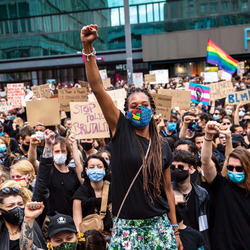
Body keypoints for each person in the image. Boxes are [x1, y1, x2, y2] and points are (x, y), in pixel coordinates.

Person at [81, 24, 181, 249]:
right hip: (127, 228)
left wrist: (175, 230)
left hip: (159, 227)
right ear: (126, 111)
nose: (139, 109)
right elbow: (97, 87)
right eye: (133, 106)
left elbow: (167, 189)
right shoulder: (121, 129)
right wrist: (88, 47)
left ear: (152, 109)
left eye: (144, 105)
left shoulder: (163, 146)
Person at [201, 121, 250, 250]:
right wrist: (208, 136)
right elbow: (206, 162)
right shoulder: (222, 187)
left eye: (239, 169)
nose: (233, 172)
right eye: (230, 167)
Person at [32, 130, 80, 226]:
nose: (60, 154)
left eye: (63, 151)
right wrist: (44, 145)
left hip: (70, 220)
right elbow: (33, 161)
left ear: (68, 153)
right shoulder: (48, 172)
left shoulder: (74, 173)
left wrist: (74, 145)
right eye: (57, 151)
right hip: (50, 222)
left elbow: (80, 168)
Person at [171, 150, 210, 249]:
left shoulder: (202, 194)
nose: (176, 170)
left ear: (191, 169)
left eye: (180, 167)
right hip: (174, 241)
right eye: (172, 167)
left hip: (196, 242)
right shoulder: (167, 193)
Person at [72, 154, 112, 234]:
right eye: (92, 167)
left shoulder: (113, 190)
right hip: (89, 239)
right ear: (86, 170)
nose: (96, 169)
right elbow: (77, 225)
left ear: (104, 169)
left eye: (99, 167)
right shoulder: (79, 195)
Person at [0, 185, 45, 250]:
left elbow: (26, 248)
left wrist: (28, 219)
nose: (17, 208)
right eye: (10, 205)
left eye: (20, 204)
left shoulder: (32, 224)